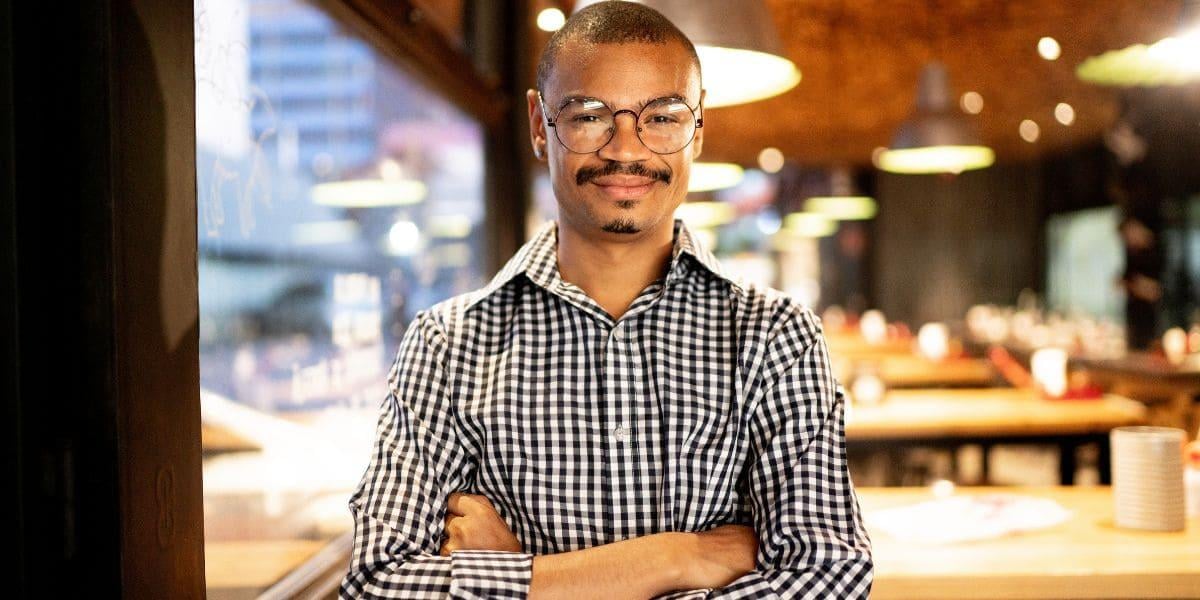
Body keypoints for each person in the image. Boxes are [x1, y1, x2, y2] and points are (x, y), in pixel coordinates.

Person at [340, 2, 873, 598]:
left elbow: (829, 576)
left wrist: (528, 578)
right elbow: (377, 583)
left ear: (698, 131)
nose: (626, 149)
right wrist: (675, 557)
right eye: (590, 115)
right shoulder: (448, 344)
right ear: (540, 126)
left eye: (663, 117)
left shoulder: (776, 336)